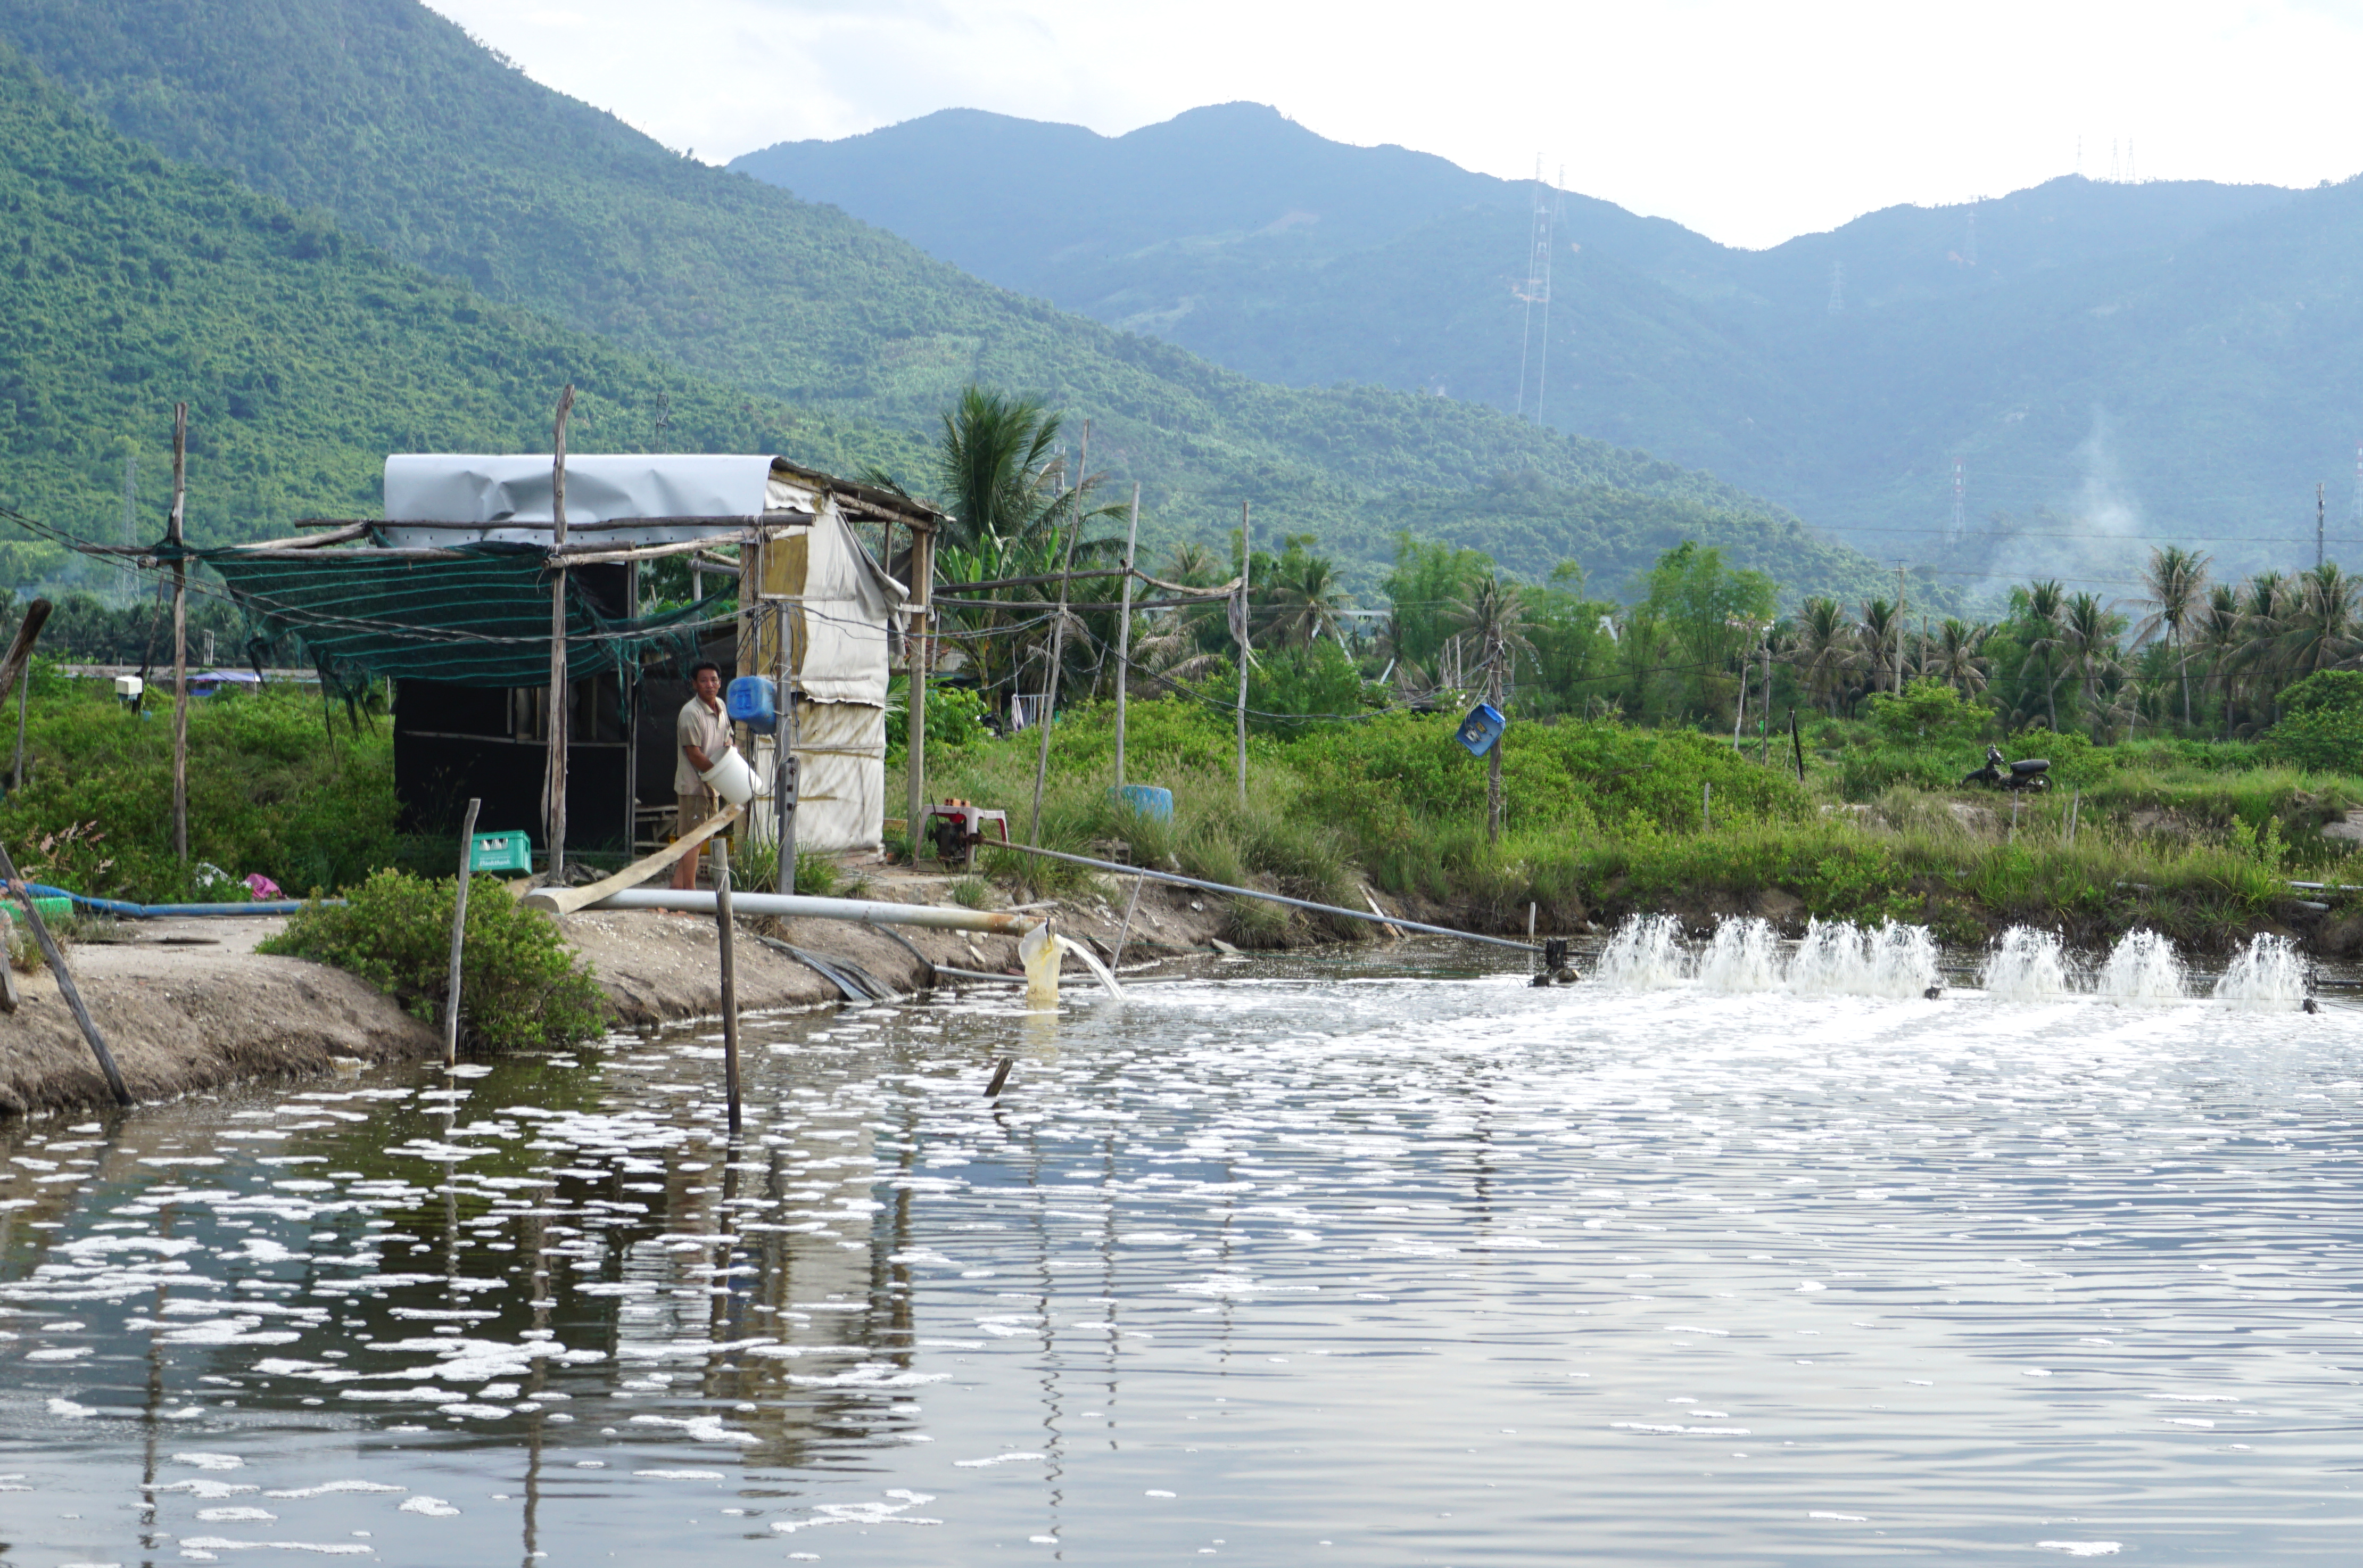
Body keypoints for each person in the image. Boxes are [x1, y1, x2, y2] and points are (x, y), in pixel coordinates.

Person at [671, 661, 733, 893]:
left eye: (714, 680)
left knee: (696, 839)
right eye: (704, 680)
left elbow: (728, 737)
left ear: (720, 683)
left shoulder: (721, 706)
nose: (710, 685)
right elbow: (694, 754)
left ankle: (677, 888)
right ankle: (690, 892)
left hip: (712, 787)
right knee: (693, 841)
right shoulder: (690, 713)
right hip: (694, 787)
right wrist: (720, 776)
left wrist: (729, 749)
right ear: (695, 684)